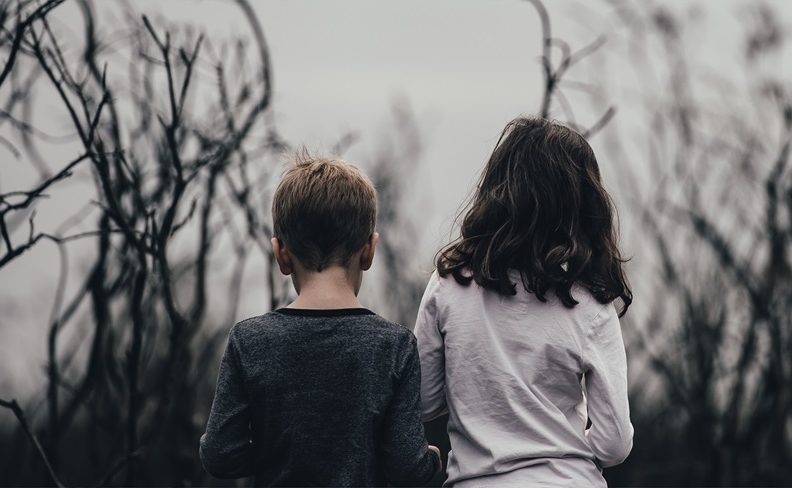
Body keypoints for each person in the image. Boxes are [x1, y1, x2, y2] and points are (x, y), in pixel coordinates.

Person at [414, 116, 635, 486]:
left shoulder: (449, 282)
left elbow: (423, 400)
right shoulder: (591, 302)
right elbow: (614, 444)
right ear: (584, 203)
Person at [200, 151, 441, 487]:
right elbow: (404, 466)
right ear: (369, 250)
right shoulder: (393, 345)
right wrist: (430, 460)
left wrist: (280, 450)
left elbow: (220, 454)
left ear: (281, 254)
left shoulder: (250, 341)